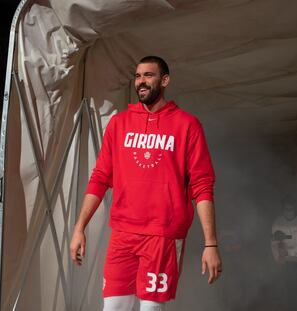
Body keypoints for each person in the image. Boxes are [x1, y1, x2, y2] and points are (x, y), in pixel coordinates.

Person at [70, 56, 222, 311]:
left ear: (164, 80)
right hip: (122, 233)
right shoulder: (119, 124)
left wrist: (211, 244)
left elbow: (202, 186)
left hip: (162, 234)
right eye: (138, 76)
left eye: (148, 75)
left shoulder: (187, 125)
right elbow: (99, 178)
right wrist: (79, 228)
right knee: (113, 307)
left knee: (150, 308)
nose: (141, 81)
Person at [271, 200, 297, 311]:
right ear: (282, 210)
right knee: (288, 288)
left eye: (291, 209)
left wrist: (288, 253)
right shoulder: (277, 223)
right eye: (286, 209)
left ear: (295, 210)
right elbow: (274, 244)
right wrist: (277, 258)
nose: (288, 212)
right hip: (286, 261)